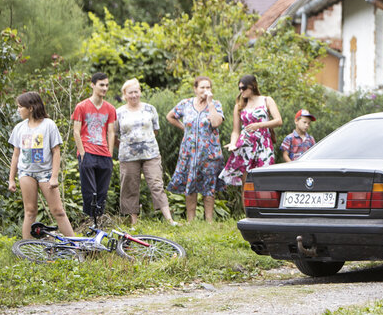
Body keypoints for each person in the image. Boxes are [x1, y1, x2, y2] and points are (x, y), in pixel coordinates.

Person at [7, 91, 74, 239]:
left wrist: (54, 177)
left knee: (58, 210)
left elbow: (56, 151)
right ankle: (27, 250)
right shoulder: (19, 128)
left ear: (30, 108)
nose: (18, 110)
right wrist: (11, 179)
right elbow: (16, 154)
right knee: (30, 211)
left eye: (20, 107)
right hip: (26, 173)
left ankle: (75, 245)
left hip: (45, 173)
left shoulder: (48, 125)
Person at [116, 78, 176, 225]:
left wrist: (144, 142)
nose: (134, 95)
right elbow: (114, 134)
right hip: (128, 156)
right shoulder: (118, 112)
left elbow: (155, 130)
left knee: (157, 184)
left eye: (136, 91)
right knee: (130, 187)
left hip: (151, 154)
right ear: (125, 94)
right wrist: (127, 146)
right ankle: (134, 222)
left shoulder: (150, 108)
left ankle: (169, 219)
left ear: (140, 92)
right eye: (130, 92)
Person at [166, 76, 225, 222]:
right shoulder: (185, 104)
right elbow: (170, 116)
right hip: (189, 153)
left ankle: (209, 221)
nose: (205, 90)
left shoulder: (216, 104)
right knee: (190, 186)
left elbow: (216, 123)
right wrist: (184, 128)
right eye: (202, 87)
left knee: (209, 187)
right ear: (195, 89)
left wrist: (210, 103)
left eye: (208, 87)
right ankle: (190, 221)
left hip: (209, 154)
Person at [220, 74, 282, 188]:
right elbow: (235, 131)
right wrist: (233, 143)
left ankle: (263, 206)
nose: (241, 91)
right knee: (247, 184)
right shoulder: (239, 105)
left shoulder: (266, 100)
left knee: (264, 182)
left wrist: (259, 125)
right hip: (245, 145)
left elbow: (278, 121)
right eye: (239, 88)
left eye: (243, 88)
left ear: (252, 86)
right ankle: (247, 207)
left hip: (264, 144)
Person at [72, 72, 117, 219]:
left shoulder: (110, 108)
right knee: (89, 190)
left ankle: (99, 220)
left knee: (102, 192)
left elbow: (111, 132)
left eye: (106, 85)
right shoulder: (82, 106)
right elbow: (76, 131)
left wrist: (110, 153)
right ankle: (90, 221)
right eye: (101, 85)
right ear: (93, 85)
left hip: (104, 153)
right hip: (88, 152)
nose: (104, 88)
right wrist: (82, 152)